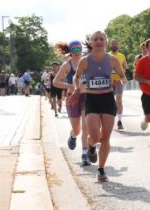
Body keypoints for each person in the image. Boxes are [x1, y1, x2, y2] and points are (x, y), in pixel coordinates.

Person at [70, 31, 124, 182]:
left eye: (102, 39)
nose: (99, 41)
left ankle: (101, 169)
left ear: (106, 42)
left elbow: (122, 75)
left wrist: (120, 80)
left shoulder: (113, 60)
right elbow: (76, 77)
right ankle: (91, 146)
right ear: (91, 43)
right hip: (92, 100)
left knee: (106, 138)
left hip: (107, 99)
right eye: (96, 39)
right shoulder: (85, 61)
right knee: (94, 137)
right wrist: (76, 89)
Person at [54, 41, 90, 166]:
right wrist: (71, 86)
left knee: (86, 126)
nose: (76, 52)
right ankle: (73, 136)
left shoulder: (87, 62)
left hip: (86, 96)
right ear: (70, 51)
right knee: (77, 129)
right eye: (74, 50)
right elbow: (55, 82)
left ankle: (85, 154)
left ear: (81, 50)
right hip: (72, 98)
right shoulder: (67, 65)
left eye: (78, 49)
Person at [109, 39, 127, 130]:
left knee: (119, 100)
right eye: (113, 44)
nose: (114, 45)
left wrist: (120, 72)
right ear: (110, 45)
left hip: (118, 81)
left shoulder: (122, 56)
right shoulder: (106, 56)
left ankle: (119, 121)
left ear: (118, 45)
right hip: (108, 82)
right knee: (110, 102)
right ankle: (110, 120)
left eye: (116, 44)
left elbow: (125, 68)